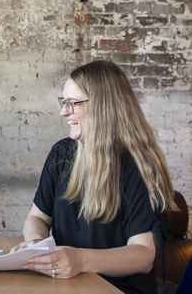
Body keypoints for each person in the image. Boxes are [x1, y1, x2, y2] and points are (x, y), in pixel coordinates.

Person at [11, 61, 177, 294]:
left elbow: (143, 255)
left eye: (72, 103)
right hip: (67, 285)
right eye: (63, 102)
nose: (63, 112)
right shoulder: (61, 153)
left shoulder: (137, 165)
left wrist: (79, 260)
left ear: (103, 106)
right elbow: (37, 218)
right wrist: (39, 248)